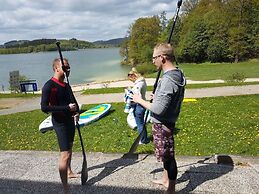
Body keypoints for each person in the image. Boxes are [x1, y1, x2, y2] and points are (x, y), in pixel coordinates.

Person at [132, 43, 185, 194]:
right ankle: (165, 179)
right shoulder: (178, 73)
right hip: (168, 120)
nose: (152, 61)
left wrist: (140, 100)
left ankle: (171, 189)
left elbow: (158, 109)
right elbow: (170, 99)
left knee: (168, 158)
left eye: (154, 58)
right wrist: (158, 97)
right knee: (165, 155)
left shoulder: (168, 80)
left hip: (163, 124)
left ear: (162, 58)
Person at [41, 58, 80, 194]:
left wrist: (77, 112)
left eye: (69, 67)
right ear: (56, 68)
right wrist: (66, 108)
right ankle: (65, 188)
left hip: (70, 121)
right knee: (64, 154)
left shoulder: (66, 85)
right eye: (65, 67)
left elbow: (74, 102)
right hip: (60, 123)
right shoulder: (49, 86)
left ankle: (69, 171)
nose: (68, 69)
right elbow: (44, 107)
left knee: (69, 149)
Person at [127, 68, 149, 144]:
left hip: (139, 105)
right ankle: (144, 138)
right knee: (141, 122)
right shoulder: (142, 81)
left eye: (131, 79)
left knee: (139, 124)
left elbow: (136, 95)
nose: (132, 81)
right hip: (141, 104)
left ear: (134, 76)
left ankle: (143, 140)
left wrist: (129, 94)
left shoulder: (139, 84)